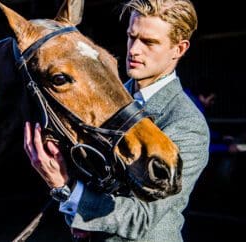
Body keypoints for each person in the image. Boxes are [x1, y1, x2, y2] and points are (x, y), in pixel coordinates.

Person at [23, 0, 210, 241]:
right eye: (133, 37)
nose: (134, 50)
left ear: (179, 49)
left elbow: (141, 219)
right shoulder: (109, 99)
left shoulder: (187, 124)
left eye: (150, 42)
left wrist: (65, 186)